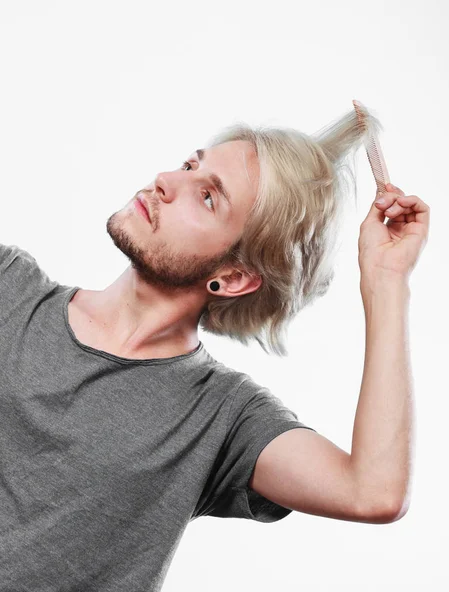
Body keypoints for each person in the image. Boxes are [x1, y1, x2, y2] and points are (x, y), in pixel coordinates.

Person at [0, 104, 429, 591]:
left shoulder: (222, 418)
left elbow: (372, 492)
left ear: (233, 277)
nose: (165, 181)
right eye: (189, 166)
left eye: (207, 197)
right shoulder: (9, 286)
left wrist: (387, 280)